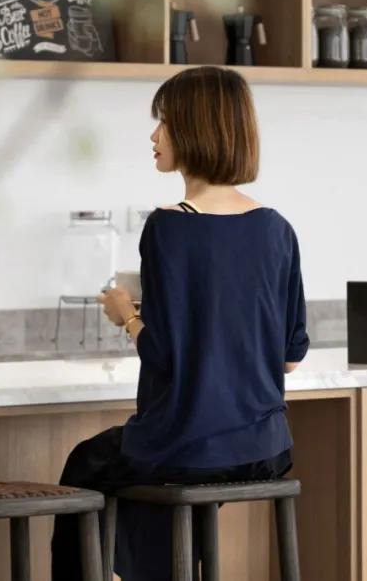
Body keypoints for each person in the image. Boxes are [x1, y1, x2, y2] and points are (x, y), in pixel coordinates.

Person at [50, 66, 310, 581]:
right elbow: (290, 358)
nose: (154, 136)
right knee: (156, 476)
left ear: (194, 129)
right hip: (265, 450)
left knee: (88, 462)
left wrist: (126, 314)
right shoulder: (277, 229)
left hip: (186, 446)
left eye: (164, 123)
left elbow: (163, 355)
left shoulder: (168, 226)